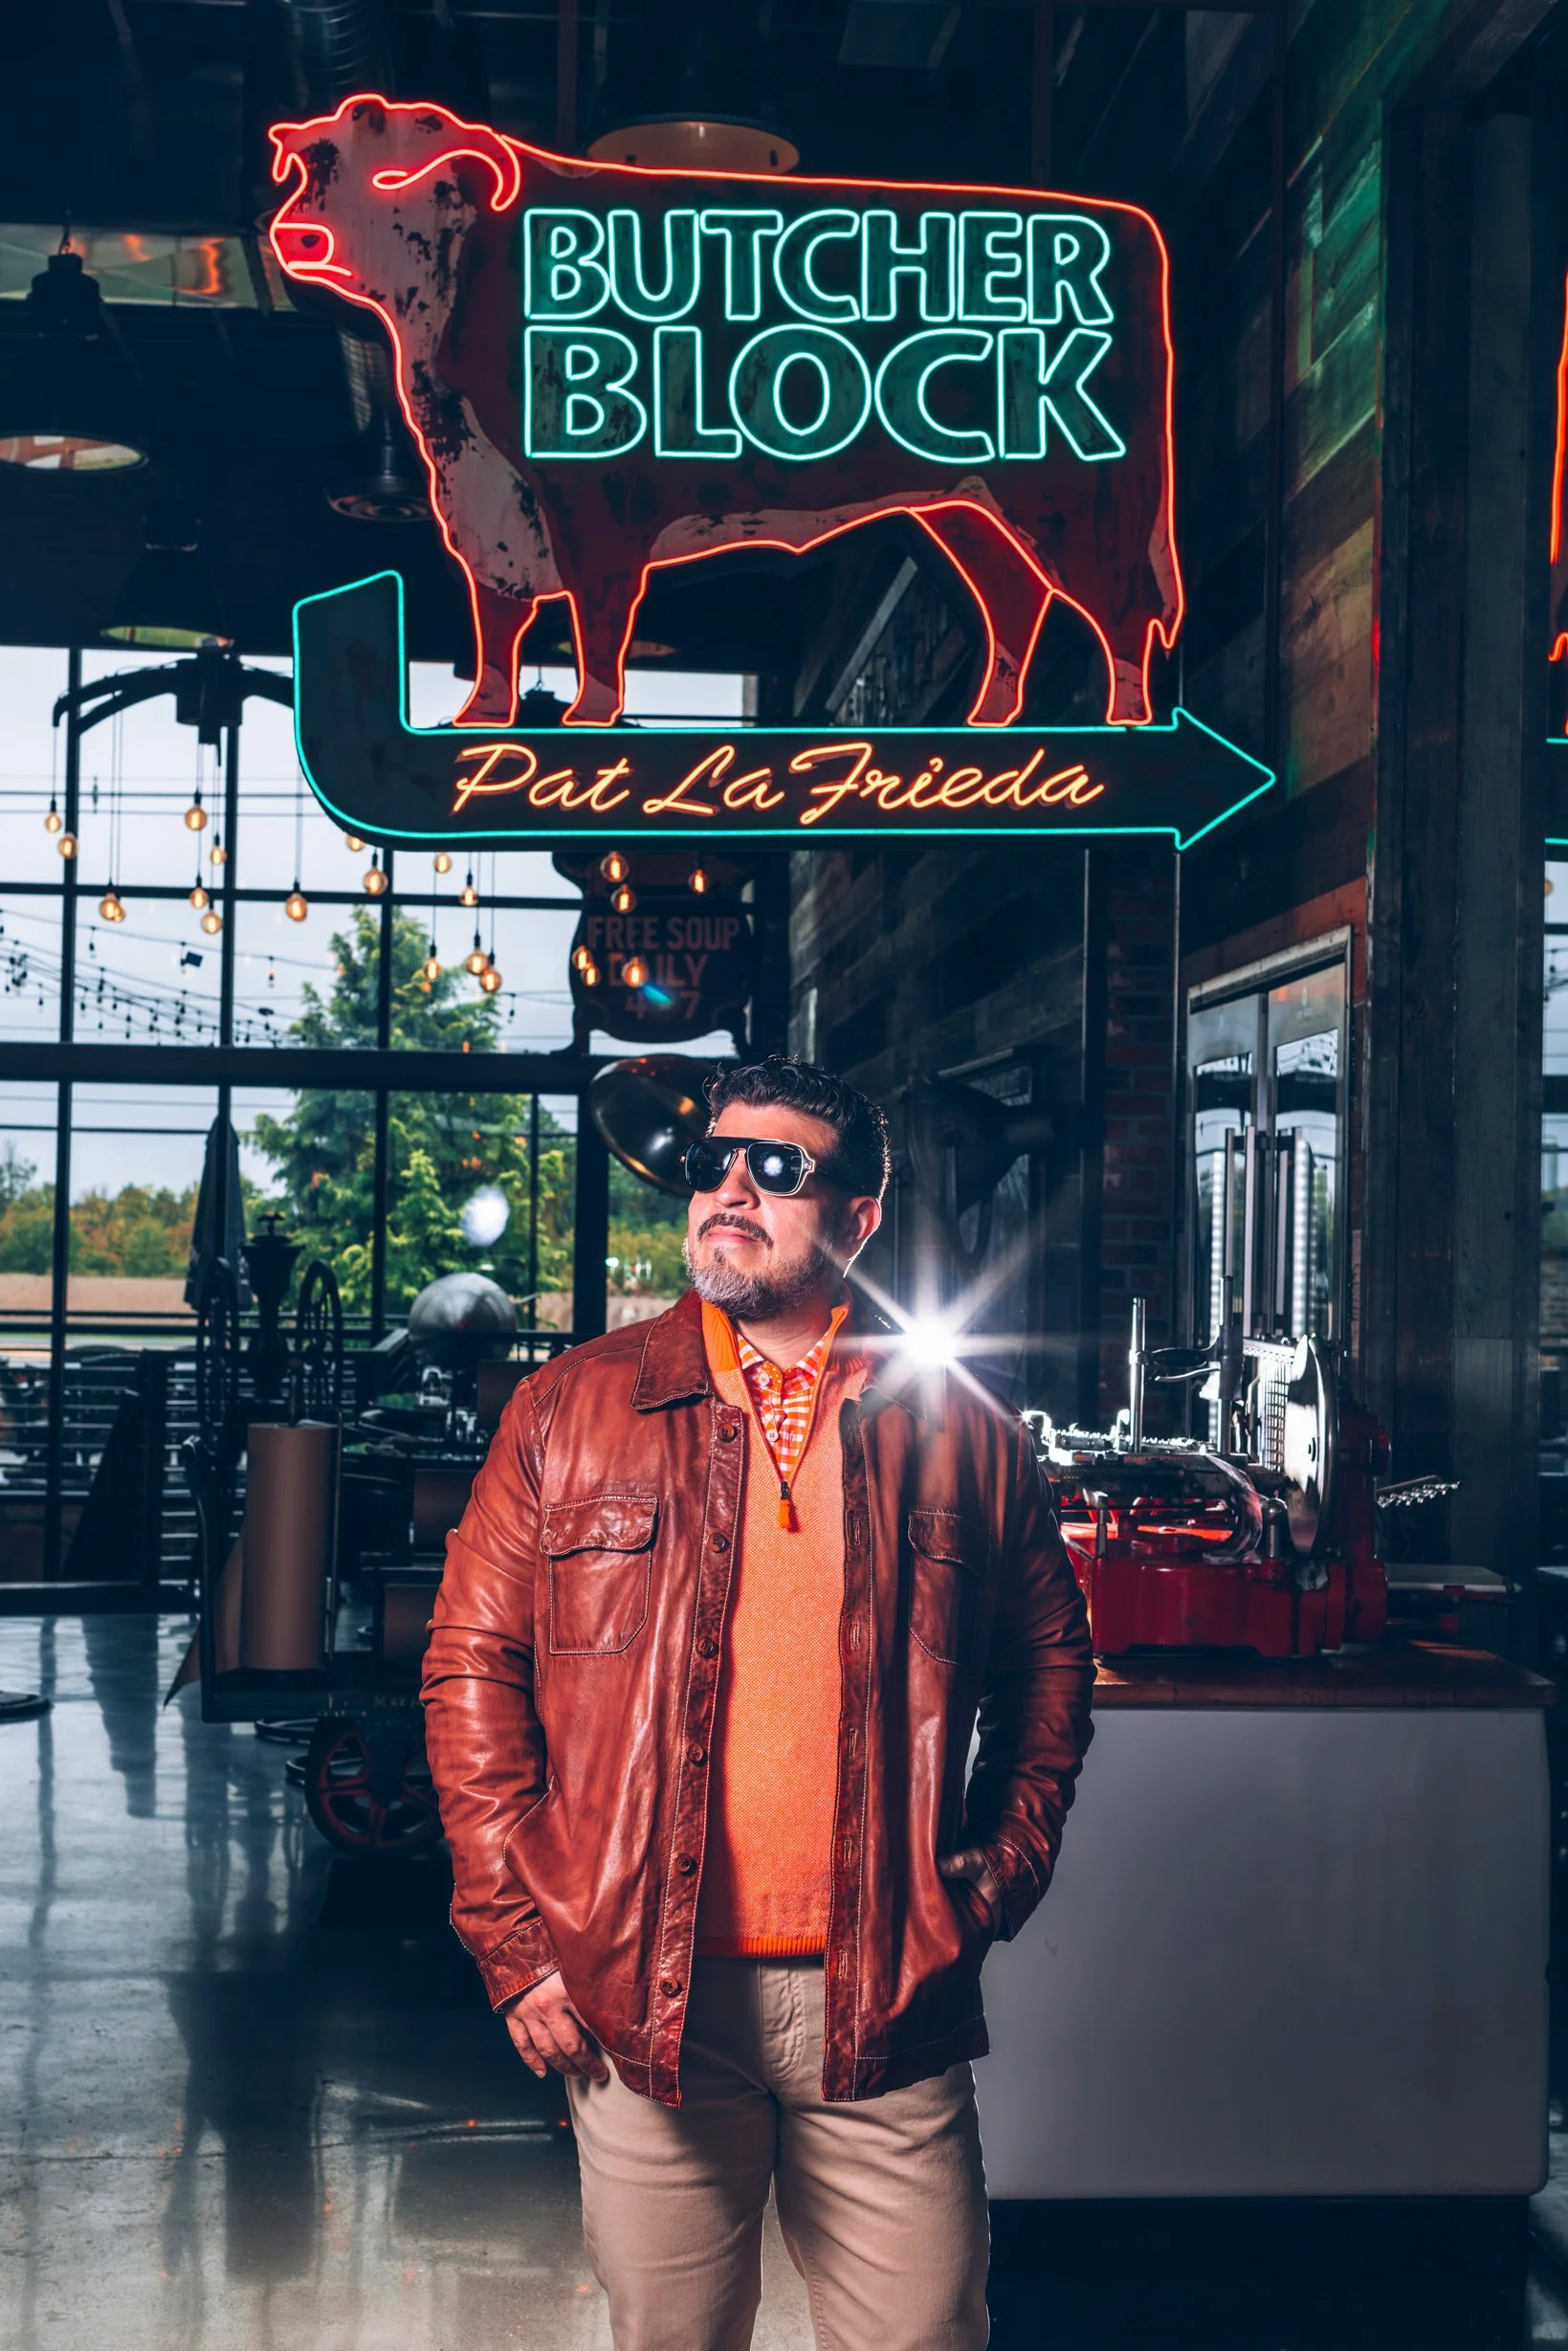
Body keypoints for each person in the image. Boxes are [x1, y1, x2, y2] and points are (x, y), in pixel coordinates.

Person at [422, 1054, 1095, 2350]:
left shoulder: (957, 1424)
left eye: (776, 1168)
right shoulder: (568, 1408)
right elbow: (470, 1671)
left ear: (856, 1219)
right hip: (639, 1991)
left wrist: (995, 1876)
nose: (730, 1188)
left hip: (886, 1991)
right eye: (711, 1163)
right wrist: (516, 1946)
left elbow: (1047, 1666)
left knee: (924, 2333)